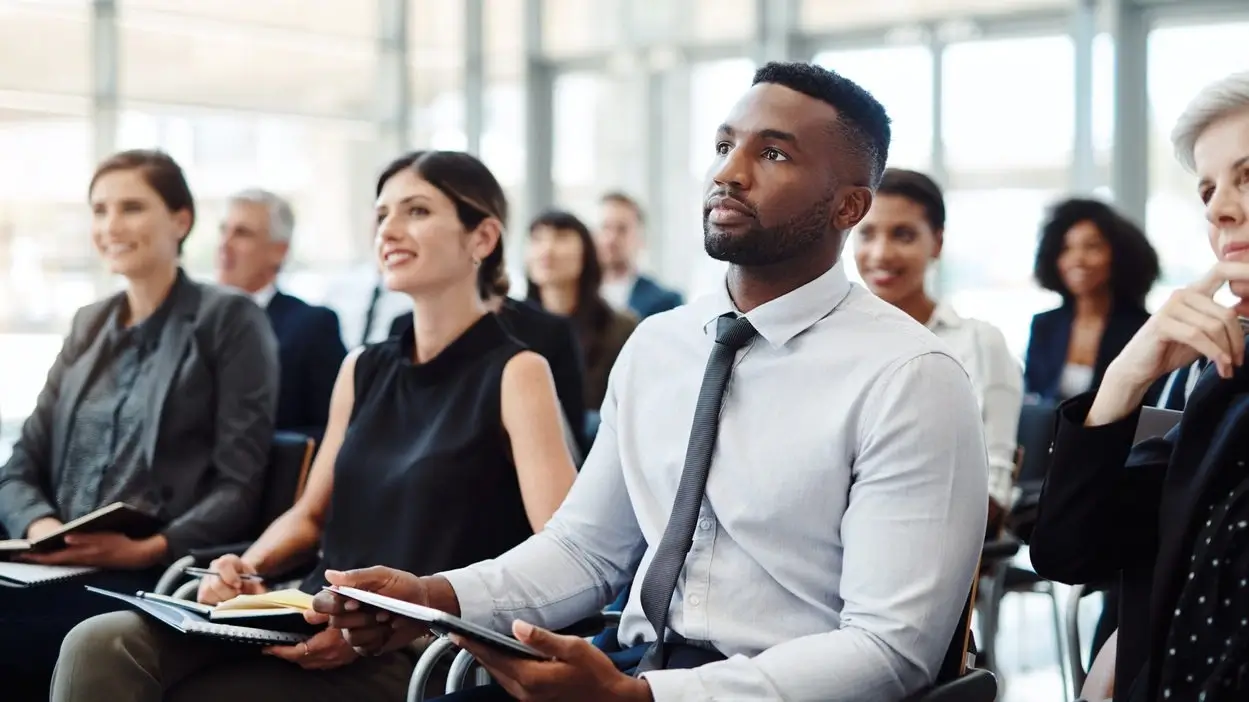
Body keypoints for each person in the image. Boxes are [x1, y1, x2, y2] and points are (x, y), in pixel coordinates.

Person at [316, 61, 988, 702]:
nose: (728, 172)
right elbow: (584, 551)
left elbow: (889, 650)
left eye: (772, 154)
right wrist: (435, 598)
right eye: (723, 144)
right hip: (634, 666)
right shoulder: (660, 346)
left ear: (847, 208)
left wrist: (646, 697)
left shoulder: (910, 379)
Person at [50, 150, 579, 702]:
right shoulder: (363, 368)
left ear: (482, 237)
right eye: (381, 216)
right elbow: (309, 516)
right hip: (309, 612)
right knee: (98, 643)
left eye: (416, 211)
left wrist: (412, 616)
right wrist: (246, 565)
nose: (390, 230)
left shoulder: (518, 373)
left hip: (415, 645)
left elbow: (560, 553)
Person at [0, 149, 279, 696]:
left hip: (149, 572)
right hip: (48, 562)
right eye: (99, 210)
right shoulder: (90, 324)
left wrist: (147, 548)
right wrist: (42, 532)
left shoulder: (228, 318)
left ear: (181, 220)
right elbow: (20, 463)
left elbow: (238, 485)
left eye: (130, 207)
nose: (110, 226)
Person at [1029, 70, 1249, 702]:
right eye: (1207, 189)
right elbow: (1072, 552)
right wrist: (1125, 379)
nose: (1218, 207)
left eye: (1247, 176)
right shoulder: (1210, 373)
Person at [854, 167, 1023, 533]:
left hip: (935, 540)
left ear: (937, 243)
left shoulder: (979, 342)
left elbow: (994, 491)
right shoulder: (836, 340)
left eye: (903, 235)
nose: (880, 254)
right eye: (866, 234)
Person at [217, 188, 347, 440]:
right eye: (223, 230)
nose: (225, 244)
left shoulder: (312, 326)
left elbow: (336, 431)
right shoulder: (191, 322)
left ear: (279, 251)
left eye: (242, 233)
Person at [1024, 197, 1162, 404]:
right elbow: (1033, 399)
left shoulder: (1144, 329)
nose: (1077, 259)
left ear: (1118, 255)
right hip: (1049, 436)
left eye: (1092, 247)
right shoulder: (1045, 325)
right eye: (1066, 249)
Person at [525, 209, 636, 416]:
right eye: (537, 239)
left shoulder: (620, 327)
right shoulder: (509, 324)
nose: (546, 250)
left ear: (586, 253)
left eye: (561, 238)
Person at [595, 192, 683, 319]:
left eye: (622, 229)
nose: (610, 238)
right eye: (605, 227)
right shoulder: (573, 294)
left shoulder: (666, 302)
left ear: (641, 239)